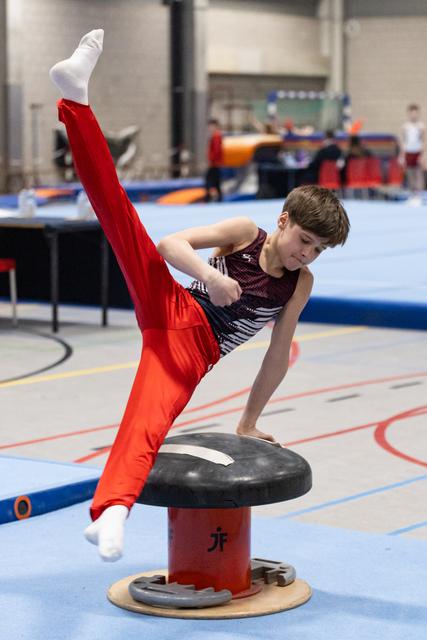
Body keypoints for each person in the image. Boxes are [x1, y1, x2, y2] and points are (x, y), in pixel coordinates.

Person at [49, 30, 350, 562]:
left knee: (148, 420)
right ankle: (75, 99)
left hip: (195, 353)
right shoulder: (243, 231)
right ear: (283, 221)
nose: (308, 254)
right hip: (175, 304)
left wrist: (250, 420)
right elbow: (171, 243)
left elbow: (278, 353)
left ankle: (112, 512)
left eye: (319, 249)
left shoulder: (299, 284)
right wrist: (209, 277)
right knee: (118, 214)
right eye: (304, 240)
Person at [400, 104, 425, 206]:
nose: (413, 115)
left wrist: (424, 154)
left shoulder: (422, 126)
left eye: (415, 113)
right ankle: (412, 195)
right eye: (412, 113)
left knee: (418, 174)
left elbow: (424, 140)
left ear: (418, 114)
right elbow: (403, 141)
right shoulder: (405, 126)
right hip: (408, 151)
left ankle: (418, 196)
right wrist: (402, 155)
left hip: (418, 151)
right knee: (409, 174)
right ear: (409, 114)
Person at [205, 118, 223, 202]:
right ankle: (218, 198)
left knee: (209, 181)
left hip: (214, 163)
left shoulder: (216, 136)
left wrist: (212, 160)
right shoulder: (216, 135)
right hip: (215, 163)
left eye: (211, 126)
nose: (210, 128)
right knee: (216, 182)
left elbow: (217, 150)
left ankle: (209, 197)